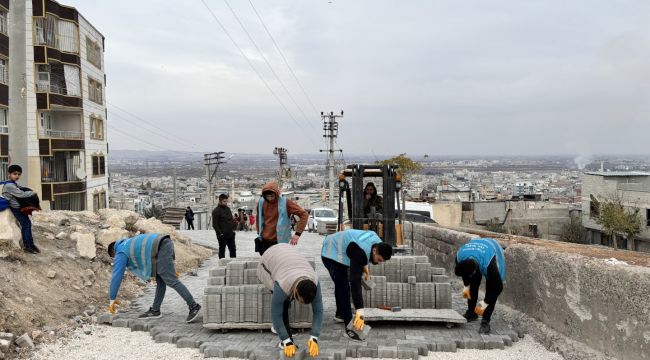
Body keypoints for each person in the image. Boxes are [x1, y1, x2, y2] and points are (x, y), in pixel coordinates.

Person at [107, 233, 202, 323]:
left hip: (161, 247)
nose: (115, 259)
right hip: (162, 244)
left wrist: (112, 299)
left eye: (113, 257)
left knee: (171, 280)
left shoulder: (120, 251)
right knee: (160, 280)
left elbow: (117, 276)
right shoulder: (127, 243)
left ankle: (194, 306)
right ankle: (155, 310)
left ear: (113, 251)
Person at [321, 229, 393, 341]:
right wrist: (360, 311)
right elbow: (355, 284)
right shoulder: (359, 253)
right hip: (331, 253)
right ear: (375, 251)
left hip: (343, 248)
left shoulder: (377, 240)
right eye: (379, 260)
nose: (379, 263)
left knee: (341, 284)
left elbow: (364, 250)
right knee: (344, 288)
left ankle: (340, 313)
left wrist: (365, 266)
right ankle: (349, 328)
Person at [257, 243, 323, 358]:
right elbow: (275, 314)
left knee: (285, 299)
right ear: (296, 290)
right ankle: (283, 336)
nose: (301, 304)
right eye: (301, 301)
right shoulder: (282, 286)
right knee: (282, 305)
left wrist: (314, 337)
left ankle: (283, 332)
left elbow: (319, 311)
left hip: (288, 254)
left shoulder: (315, 282)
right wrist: (286, 339)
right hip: (267, 260)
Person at [454, 237, 506, 335]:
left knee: (491, 287)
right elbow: (465, 275)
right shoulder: (459, 257)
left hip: (492, 249)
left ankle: (485, 321)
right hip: (475, 251)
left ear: (474, 271)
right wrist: (466, 287)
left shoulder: (489, 265)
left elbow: (498, 288)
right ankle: (471, 313)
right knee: (473, 284)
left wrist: (484, 303)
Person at [255, 181, 308, 255]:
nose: (270, 199)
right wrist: (259, 231)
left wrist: (297, 234)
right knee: (266, 264)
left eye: (272, 196)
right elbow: (258, 217)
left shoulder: (285, 203)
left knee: (279, 264)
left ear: (276, 194)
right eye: (268, 196)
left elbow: (304, 214)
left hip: (280, 241)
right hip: (265, 241)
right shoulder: (261, 202)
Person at [1, 165, 40, 254]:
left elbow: (20, 190)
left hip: (18, 207)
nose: (17, 176)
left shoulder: (12, 183)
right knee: (26, 225)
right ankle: (27, 246)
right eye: (15, 174)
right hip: (16, 209)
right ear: (9, 174)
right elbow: (21, 194)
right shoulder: (9, 185)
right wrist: (33, 192)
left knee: (27, 224)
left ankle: (31, 244)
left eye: (19, 174)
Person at [212, 194, 236, 259]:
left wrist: (233, 230)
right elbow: (214, 224)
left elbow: (231, 220)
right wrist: (220, 234)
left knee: (233, 250)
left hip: (230, 234)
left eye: (226, 201)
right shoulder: (216, 211)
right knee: (222, 251)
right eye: (224, 201)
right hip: (222, 235)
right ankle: (221, 265)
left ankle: (232, 264)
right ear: (220, 201)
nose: (226, 203)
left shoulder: (228, 209)